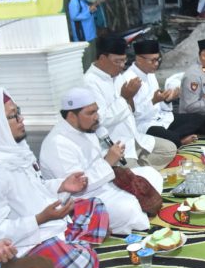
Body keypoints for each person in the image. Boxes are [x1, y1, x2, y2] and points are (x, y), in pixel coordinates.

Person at [0, 88, 110, 268]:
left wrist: (62, 185)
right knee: (81, 263)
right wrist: (40, 219)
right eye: (13, 116)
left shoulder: (13, 152)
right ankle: (70, 252)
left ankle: (71, 248)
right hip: (23, 245)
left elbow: (34, 189)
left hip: (47, 224)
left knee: (95, 206)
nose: (21, 119)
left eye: (18, 112)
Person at [40, 87, 153, 235]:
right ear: (71, 116)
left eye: (96, 111)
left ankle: (114, 223)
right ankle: (100, 227)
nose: (96, 117)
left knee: (151, 174)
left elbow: (95, 159)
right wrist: (108, 162)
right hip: (82, 199)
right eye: (90, 113)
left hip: (104, 184)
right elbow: (78, 186)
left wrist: (111, 155)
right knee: (129, 208)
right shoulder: (57, 144)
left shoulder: (87, 129)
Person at [84, 36, 177, 170]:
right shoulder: (90, 83)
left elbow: (131, 110)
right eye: (117, 61)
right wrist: (124, 98)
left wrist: (130, 98)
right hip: (114, 145)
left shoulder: (117, 76)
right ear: (103, 59)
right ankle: (136, 170)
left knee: (169, 149)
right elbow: (100, 120)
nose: (122, 66)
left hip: (134, 137)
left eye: (124, 61)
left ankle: (139, 168)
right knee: (132, 176)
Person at [125, 40, 205, 147]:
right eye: (153, 60)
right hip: (145, 124)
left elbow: (161, 106)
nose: (156, 64)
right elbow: (133, 115)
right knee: (171, 138)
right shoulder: (128, 79)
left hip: (162, 117)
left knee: (197, 119)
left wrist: (167, 99)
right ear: (139, 59)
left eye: (158, 59)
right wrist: (153, 101)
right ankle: (178, 140)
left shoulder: (150, 74)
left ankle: (176, 137)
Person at [68, 0, 97, 71]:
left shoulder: (82, 1)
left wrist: (92, 9)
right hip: (83, 37)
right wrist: (89, 11)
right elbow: (74, 16)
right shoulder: (74, 2)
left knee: (93, 62)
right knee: (87, 64)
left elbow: (87, 14)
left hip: (90, 35)